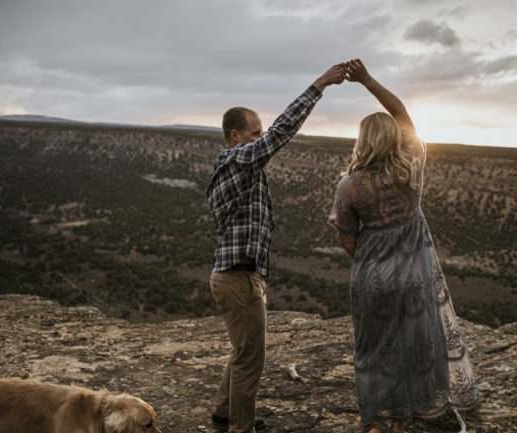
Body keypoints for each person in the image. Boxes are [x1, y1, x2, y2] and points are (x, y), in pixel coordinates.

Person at [328, 59, 480, 433]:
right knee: (416, 348)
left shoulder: (349, 185)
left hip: (371, 278)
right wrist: (366, 79)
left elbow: (346, 236)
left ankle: (381, 421)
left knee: (375, 351)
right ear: (393, 138)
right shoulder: (412, 165)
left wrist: (368, 261)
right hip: (414, 276)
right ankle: (406, 418)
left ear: (362, 141)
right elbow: (401, 112)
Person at [206, 64, 345, 433]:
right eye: (255, 133)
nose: (261, 137)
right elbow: (282, 132)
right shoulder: (238, 159)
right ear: (235, 136)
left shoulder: (236, 165)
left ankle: (224, 413)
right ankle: (241, 428)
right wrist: (319, 86)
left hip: (237, 276)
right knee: (251, 359)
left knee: (242, 353)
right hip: (239, 280)